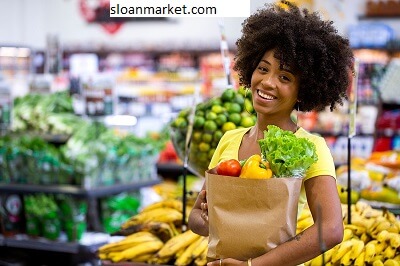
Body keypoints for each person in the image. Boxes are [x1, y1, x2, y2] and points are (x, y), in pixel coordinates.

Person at [188, 1, 354, 265]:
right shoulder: (229, 139)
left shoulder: (311, 147)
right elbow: (195, 218)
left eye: (285, 77)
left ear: (304, 90)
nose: (267, 82)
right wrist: (212, 219)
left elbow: (331, 230)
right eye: (263, 69)